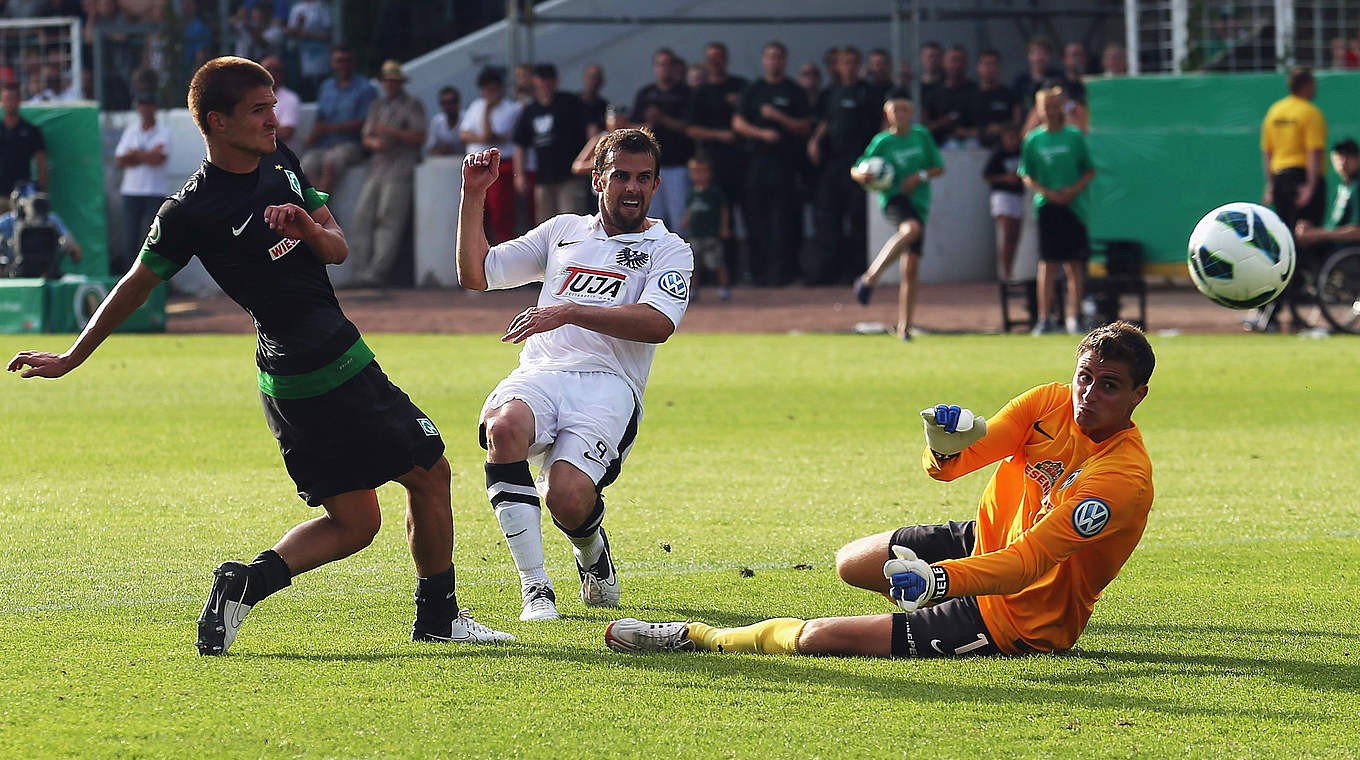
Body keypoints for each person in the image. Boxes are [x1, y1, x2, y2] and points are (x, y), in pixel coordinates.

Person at [6, 56, 512, 654]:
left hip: (285, 382)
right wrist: (73, 355)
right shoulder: (189, 211)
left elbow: (338, 248)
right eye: (259, 109)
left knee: (356, 523)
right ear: (217, 122)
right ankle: (439, 618)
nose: (274, 118)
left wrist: (307, 230)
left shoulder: (281, 160)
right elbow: (136, 285)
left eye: (273, 105)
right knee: (431, 473)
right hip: (330, 364)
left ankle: (243, 585)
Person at [605, 321, 1156, 660]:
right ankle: (928, 603)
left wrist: (939, 581)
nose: (1088, 394)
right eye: (1085, 376)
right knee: (851, 563)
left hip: (1020, 617)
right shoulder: (1048, 402)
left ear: (1138, 395)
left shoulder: (1121, 479)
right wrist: (940, 443)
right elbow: (949, 469)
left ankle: (695, 637)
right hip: (986, 543)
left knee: (822, 638)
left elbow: (1028, 565)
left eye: (1109, 386)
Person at [454, 127, 693, 623]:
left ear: (655, 185)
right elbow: (477, 274)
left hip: (609, 386)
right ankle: (536, 588)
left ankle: (592, 554)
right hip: (541, 371)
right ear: (597, 180)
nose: (632, 187)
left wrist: (567, 311)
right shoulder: (562, 230)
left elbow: (658, 324)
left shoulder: (669, 249)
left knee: (565, 496)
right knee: (503, 429)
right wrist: (474, 193)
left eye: (643, 178)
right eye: (621, 176)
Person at [850, 92, 944, 341]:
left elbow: (939, 167)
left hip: (919, 202)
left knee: (911, 267)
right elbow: (858, 167)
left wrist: (919, 176)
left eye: (904, 109)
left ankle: (905, 327)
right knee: (911, 230)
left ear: (911, 112)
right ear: (887, 113)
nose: (899, 114)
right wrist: (863, 176)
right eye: (894, 109)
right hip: (894, 199)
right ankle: (870, 277)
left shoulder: (921, 136)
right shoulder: (882, 141)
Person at [1253, 66, 1327, 332]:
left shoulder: (1276, 112)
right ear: (1307, 85)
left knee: (1281, 244)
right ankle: (1285, 302)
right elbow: (1314, 151)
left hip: (1281, 180)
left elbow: (1267, 153)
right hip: (1301, 180)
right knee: (1302, 241)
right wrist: (1310, 185)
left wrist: (1271, 185)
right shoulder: (1310, 112)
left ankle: (1271, 306)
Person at [1019, 83, 1096, 335]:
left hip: (1074, 207)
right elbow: (1026, 174)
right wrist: (1047, 192)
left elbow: (1089, 170)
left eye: (1054, 106)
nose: (1050, 111)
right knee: (1048, 264)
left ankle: (1076, 317)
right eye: (1045, 107)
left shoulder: (1074, 136)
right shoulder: (1034, 140)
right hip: (1047, 207)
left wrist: (1072, 190)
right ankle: (1045, 318)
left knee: (1074, 265)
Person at [733, 41, 811, 287]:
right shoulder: (754, 90)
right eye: (770, 57)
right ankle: (759, 274)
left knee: (784, 222)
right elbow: (737, 122)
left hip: (785, 165)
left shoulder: (794, 91)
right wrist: (761, 134)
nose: (774, 61)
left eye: (778, 57)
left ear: (784, 61)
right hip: (757, 164)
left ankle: (783, 275)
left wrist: (779, 118)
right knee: (756, 222)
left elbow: (805, 126)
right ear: (764, 60)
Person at [345, 60, 426, 288]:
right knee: (362, 217)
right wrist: (375, 142)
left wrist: (391, 133)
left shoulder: (412, 104)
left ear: (400, 83)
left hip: (400, 166)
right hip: (378, 166)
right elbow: (366, 136)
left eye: (393, 81)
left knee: (388, 220)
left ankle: (376, 274)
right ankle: (360, 272)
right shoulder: (377, 105)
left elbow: (419, 137)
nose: (389, 84)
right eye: (387, 80)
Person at [807, 45, 879, 285]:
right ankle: (828, 272)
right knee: (829, 219)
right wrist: (815, 142)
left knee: (858, 220)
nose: (848, 66)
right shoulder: (830, 93)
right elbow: (824, 122)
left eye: (852, 62)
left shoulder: (869, 92)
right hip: (834, 164)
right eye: (843, 62)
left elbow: (881, 124)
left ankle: (857, 271)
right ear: (837, 66)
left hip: (861, 165)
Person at [684, 42, 746, 282]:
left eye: (719, 57)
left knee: (732, 221)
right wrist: (720, 135)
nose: (716, 62)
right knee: (705, 222)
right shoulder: (701, 92)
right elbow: (691, 128)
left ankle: (733, 275)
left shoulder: (739, 87)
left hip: (739, 165)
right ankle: (705, 279)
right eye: (711, 58)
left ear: (726, 59)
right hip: (709, 169)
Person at [512, 63, 589, 224]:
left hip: (570, 175)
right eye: (542, 79)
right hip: (544, 177)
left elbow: (590, 131)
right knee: (545, 225)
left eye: (549, 79)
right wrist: (519, 175)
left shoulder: (569, 102)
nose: (546, 83)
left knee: (572, 222)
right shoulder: (530, 110)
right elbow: (520, 145)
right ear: (535, 81)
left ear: (555, 81)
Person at [300, 46, 376, 193]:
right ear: (333, 63)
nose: (342, 65)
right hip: (325, 144)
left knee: (331, 162)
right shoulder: (326, 87)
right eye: (339, 61)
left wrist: (330, 128)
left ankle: (319, 211)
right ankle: (320, 209)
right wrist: (313, 135)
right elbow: (320, 118)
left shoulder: (365, 88)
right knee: (306, 164)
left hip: (352, 144)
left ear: (353, 63)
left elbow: (365, 122)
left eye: (346, 61)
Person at [631, 48, 692, 230]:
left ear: (675, 67)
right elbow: (633, 126)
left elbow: (691, 127)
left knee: (680, 220)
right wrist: (648, 124)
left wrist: (663, 119)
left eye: (668, 64)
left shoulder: (685, 93)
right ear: (655, 67)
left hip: (678, 165)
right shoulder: (646, 94)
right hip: (650, 168)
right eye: (660, 64)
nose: (664, 68)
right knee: (651, 220)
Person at [459, 67, 522, 244]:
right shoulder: (475, 105)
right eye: (485, 89)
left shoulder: (510, 109)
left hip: (499, 165)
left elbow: (491, 136)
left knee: (501, 214)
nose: (487, 93)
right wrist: (480, 137)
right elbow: (463, 134)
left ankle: (503, 251)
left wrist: (487, 111)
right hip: (476, 165)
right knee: (476, 213)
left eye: (491, 89)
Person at [113, 89, 170, 275]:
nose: (144, 109)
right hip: (132, 191)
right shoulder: (131, 131)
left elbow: (159, 158)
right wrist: (146, 155)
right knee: (130, 239)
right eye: (141, 105)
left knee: (156, 239)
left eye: (148, 105)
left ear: (154, 108)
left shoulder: (164, 132)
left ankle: (155, 277)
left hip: (154, 191)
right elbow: (120, 160)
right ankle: (130, 278)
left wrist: (134, 154)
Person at [1293, 138, 1360, 250]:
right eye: (1339, 156)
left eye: (1349, 156)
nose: (1343, 161)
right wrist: (1312, 231)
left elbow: (1357, 232)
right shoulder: (1340, 188)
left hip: (1346, 254)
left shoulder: (1357, 188)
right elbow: (1334, 226)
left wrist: (1318, 235)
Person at [682, 153, 731, 300]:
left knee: (717, 262)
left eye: (703, 171)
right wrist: (686, 220)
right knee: (694, 264)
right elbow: (690, 208)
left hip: (711, 234)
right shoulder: (692, 192)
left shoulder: (714, 192)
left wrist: (724, 227)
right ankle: (693, 290)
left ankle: (723, 288)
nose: (699, 175)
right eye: (695, 171)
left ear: (710, 173)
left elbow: (723, 210)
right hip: (695, 233)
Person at [983, 123, 1024, 282]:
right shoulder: (998, 155)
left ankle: (1011, 270)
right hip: (1002, 196)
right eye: (1009, 138)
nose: (1012, 141)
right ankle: (1005, 273)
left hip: (1018, 196)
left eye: (1015, 137)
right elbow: (987, 175)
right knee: (1007, 233)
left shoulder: (1022, 153)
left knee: (1015, 235)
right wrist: (1005, 178)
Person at [0, 82, 46, 213]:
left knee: (24, 230)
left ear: (19, 101)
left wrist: (41, 191)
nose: (10, 103)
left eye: (13, 99)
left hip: (23, 194)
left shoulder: (30, 130)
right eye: (6, 99)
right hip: (0, 193)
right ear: (1, 101)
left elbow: (41, 162)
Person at [923, 45, 977, 148]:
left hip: (973, 147)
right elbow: (923, 127)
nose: (957, 65)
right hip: (938, 147)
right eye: (953, 60)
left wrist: (966, 132)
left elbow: (984, 126)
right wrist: (942, 123)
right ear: (944, 63)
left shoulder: (976, 90)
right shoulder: (933, 93)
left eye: (960, 61)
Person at [969, 48, 1020, 147]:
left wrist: (1002, 128)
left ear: (1000, 68)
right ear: (978, 68)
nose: (990, 68)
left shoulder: (1009, 94)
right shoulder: (969, 95)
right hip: (974, 145)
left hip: (1004, 144)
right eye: (987, 64)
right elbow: (959, 129)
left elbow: (1017, 121)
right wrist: (982, 132)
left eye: (994, 64)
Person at [260, 55, 300, 143]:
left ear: (282, 74)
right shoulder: (249, 97)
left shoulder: (290, 98)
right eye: (267, 69)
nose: (271, 73)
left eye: (276, 70)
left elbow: (286, 133)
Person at [425, 86, 466, 157]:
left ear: (458, 103)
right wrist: (443, 150)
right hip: (444, 163)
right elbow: (430, 148)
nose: (448, 106)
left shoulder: (467, 118)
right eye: (444, 103)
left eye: (451, 102)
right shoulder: (437, 122)